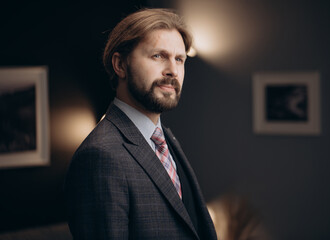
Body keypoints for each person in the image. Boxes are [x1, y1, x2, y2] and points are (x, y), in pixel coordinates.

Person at [64, 8, 217, 240]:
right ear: (120, 65)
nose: (173, 71)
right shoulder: (100, 156)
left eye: (179, 59)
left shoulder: (166, 139)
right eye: (158, 56)